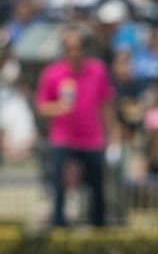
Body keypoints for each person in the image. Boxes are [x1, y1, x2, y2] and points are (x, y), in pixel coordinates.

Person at [35, 27, 119, 228]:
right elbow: (41, 107)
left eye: (77, 48)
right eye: (69, 48)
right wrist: (59, 108)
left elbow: (106, 105)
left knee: (97, 186)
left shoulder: (98, 71)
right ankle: (59, 226)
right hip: (64, 138)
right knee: (58, 186)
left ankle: (99, 226)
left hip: (91, 139)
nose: (73, 53)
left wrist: (113, 134)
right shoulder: (53, 74)